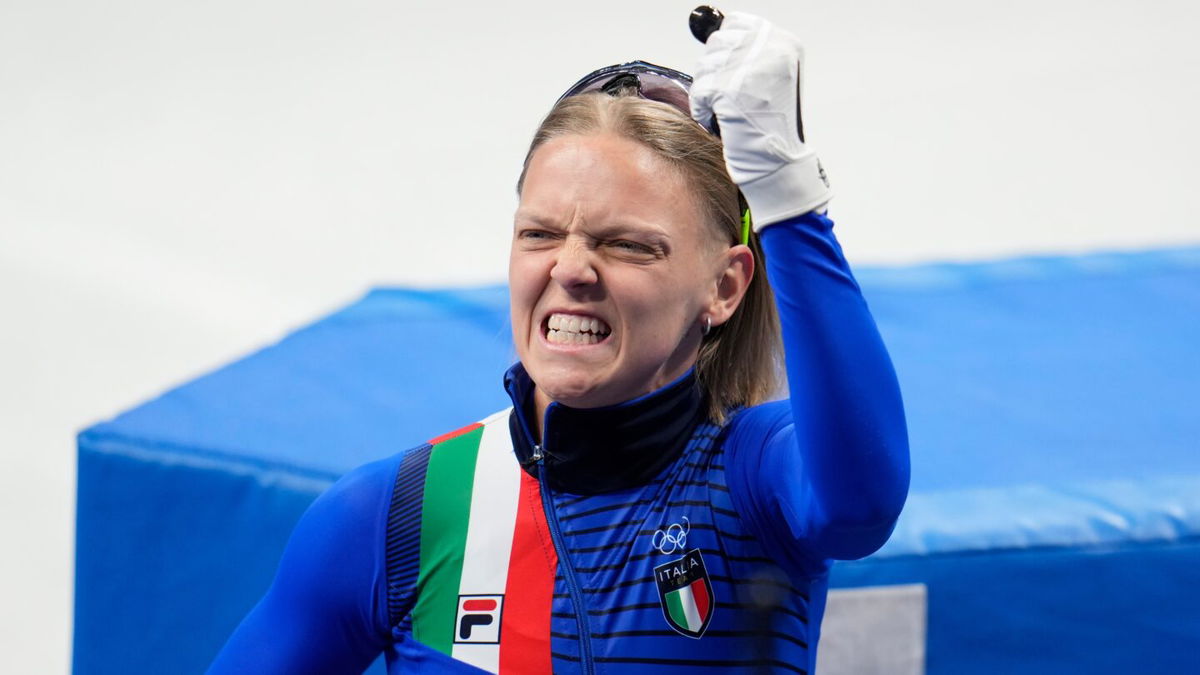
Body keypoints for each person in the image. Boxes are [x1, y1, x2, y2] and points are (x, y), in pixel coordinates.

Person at [208, 11, 909, 675]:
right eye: (539, 234)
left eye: (627, 244)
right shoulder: (397, 514)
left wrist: (787, 196)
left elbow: (859, 506)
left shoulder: (758, 475)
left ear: (723, 288)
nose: (570, 269)